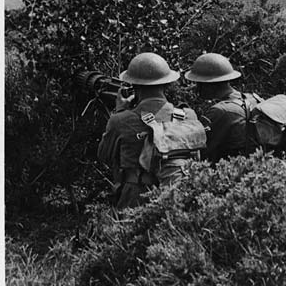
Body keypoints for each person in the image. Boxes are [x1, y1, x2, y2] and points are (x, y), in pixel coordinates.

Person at [97, 52, 205, 209]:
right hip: (180, 194)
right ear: (166, 84)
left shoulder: (121, 120)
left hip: (137, 197)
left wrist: (119, 112)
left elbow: (104, 155)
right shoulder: (188, 115)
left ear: (134, 87)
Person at [184, 52, 261, 163]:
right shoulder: (253, 99)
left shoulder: (220, 111)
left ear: (208, 84)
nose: (197, 88)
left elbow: (198, 150)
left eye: (199, 83)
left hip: (232, 172)